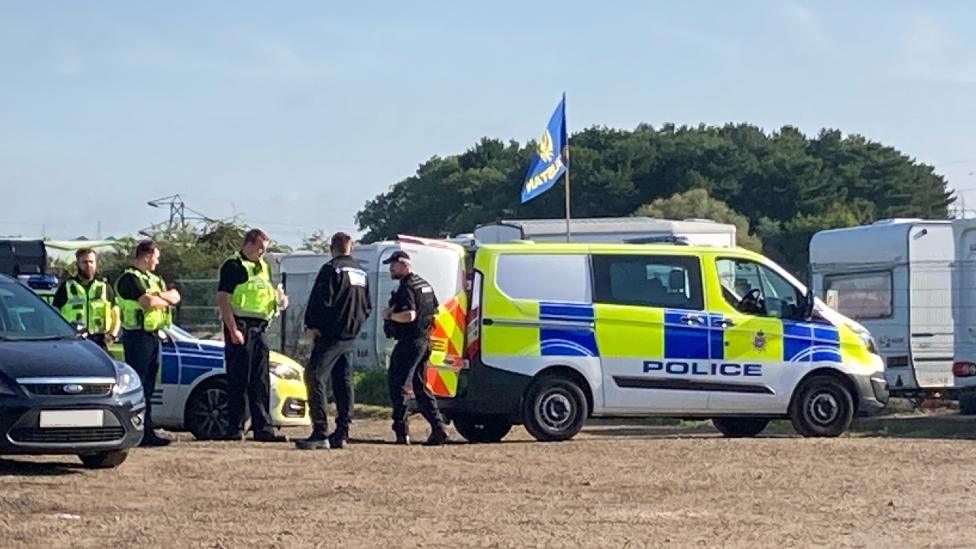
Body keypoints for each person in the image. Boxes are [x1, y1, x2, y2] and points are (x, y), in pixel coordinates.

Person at [296, 232, 371, 450]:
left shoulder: (331, 269)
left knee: (314, 375)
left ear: (332, 248)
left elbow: (321, 300)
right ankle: (342, 431)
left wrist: (313, 325)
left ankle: (320, 430)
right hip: (350, 335)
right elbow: (367, 306)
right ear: (351, 247)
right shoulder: (361, 272)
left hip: (330, 334)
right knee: (343, 381)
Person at [216, 228, 289, 442]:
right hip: (241, 326)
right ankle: (235, 428)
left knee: (260, 380)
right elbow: (223, 299)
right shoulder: (233, 265)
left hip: (260, 327)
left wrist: (279, 301)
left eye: (264, 249)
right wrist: (233, 329)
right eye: (260, 248)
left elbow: (261, 294)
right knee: (239, 379)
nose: (262, 253)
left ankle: (263, 428)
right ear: (248, 244)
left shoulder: (262, 267)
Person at [115, 240, 180, 447]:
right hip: (137, 337)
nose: (157, 262)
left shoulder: (154, 280)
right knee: (139, 385)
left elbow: (176, 296)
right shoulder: (129, 279)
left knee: (150, 386)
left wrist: (160, 295)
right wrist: (163, 298)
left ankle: (147, 430)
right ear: (146, 256)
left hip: (153, 336)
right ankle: (139, 431)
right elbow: (147, 302)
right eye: (156, 257)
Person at [381, 251, 448, 446]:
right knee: (420, 386)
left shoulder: (407, 288)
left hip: (410, 341)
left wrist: (389, 316)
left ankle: (402, 432)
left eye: (393, 265)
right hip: (425, 340)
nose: (390, 269)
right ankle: (438, 429)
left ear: (404, 265)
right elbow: (435, 309)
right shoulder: (424, 284)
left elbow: (409, 315)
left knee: (398, 384)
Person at [52, 248, 119, 350]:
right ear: (78, 264)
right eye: (84, 262)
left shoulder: (104, 287)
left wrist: (112, 336)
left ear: (96, 263)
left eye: (91, 262)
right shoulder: (67, 287)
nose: (88, 265)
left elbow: (116, 314)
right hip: (73, 341)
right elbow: (54, 313)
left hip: (100, 341)